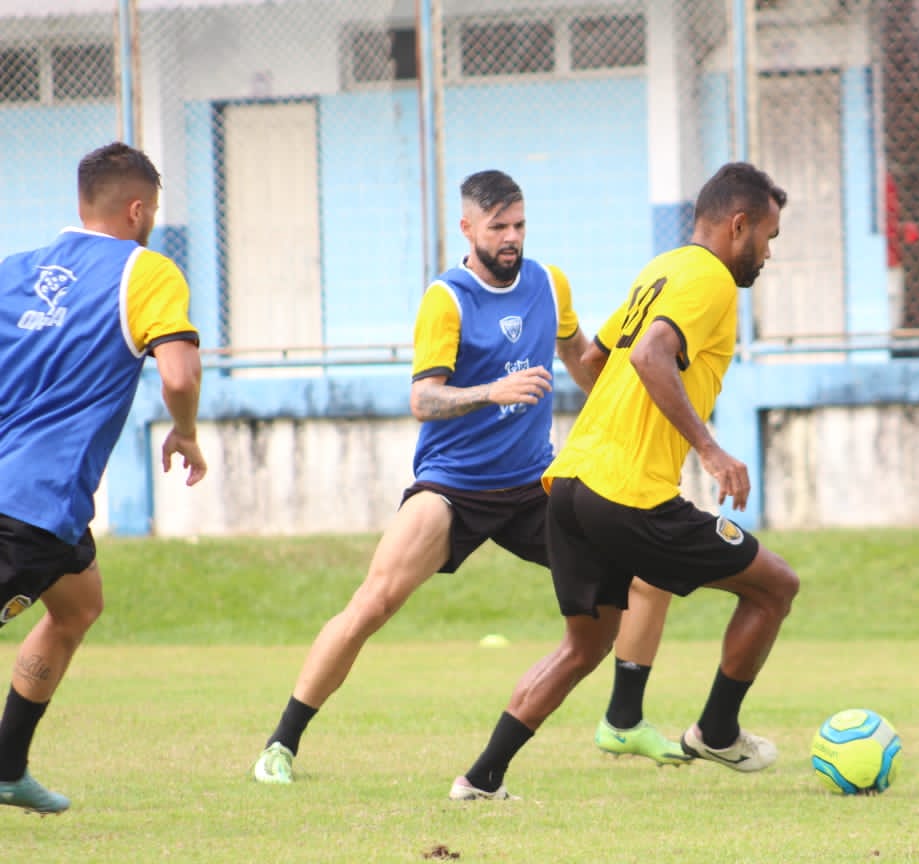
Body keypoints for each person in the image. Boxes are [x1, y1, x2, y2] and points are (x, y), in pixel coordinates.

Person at [252, 169, 686, 785]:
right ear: (467, 228)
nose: (511, 238)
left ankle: (623, 717)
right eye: (498, 227)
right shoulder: (446, 299)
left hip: (535, 485)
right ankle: (281, 745)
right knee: (372, 603)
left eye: (519, 226)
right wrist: (492, 391)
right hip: (453, 486)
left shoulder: (548, 283)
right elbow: (423, 400)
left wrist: (628, 415)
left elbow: (582, 358)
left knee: (649, 565)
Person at [449, 161, 800, 801]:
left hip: (573, 486)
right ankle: (718, 730)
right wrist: (711, 450)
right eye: (768, 238)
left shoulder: (661, 270)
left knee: (582, 649)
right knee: (775, 586)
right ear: (738, 224)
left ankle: (480, 778)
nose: (767, 254)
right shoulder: (711, 279)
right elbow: (647, 355)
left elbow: (593, 360)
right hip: (627, 494)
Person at [0, 142, 207, 815]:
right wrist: (187, 430)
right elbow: (177, 374)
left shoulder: (14, 272)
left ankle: (6, 766)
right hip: (31, 506)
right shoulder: (146, 271)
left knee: (79, 604)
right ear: (138, 208)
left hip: (44, 508)